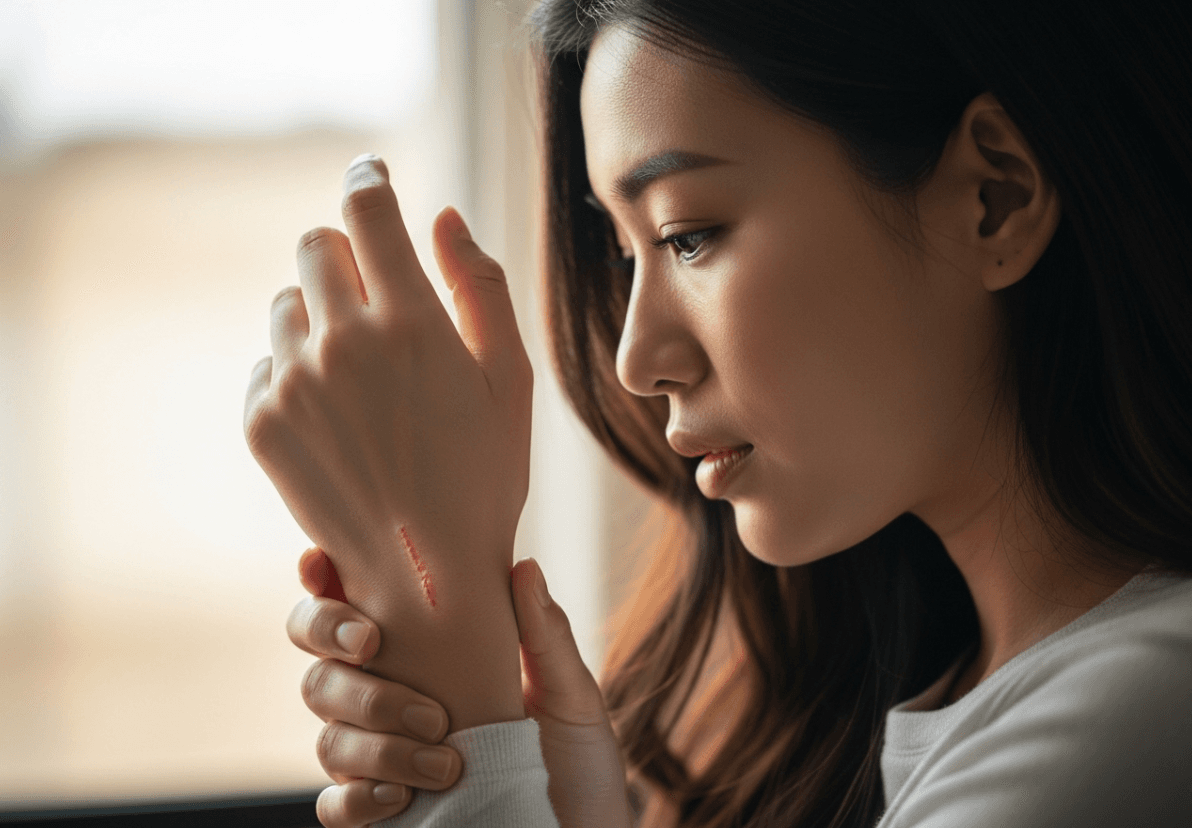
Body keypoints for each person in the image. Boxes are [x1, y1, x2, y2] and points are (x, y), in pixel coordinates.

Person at [244, 0, 1192, 826]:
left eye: (687, 236)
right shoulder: (946, 708)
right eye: (625, 255)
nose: (635, 358)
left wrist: (447, 666)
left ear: (996, 199)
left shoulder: (1144, 708)